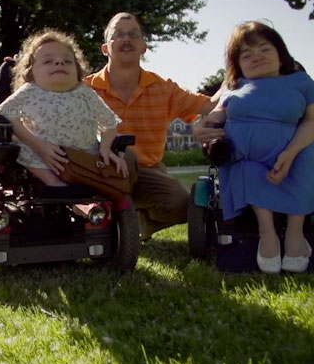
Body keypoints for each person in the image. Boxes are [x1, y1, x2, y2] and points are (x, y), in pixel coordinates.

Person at [84, 12, 221, 240]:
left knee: (182, 204)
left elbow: (210, 104)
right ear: (105, 48)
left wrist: (236, 76)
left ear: (144, 46)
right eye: (118, 34)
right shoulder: (84, 90)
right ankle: (111, 222)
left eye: (133, 34)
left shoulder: (162, 87)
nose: (126, 39)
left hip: (148, 171)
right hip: (101, 170)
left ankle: (139, 222)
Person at [203, 21, 314, 273]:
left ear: (280, 55)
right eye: (246, 54)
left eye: (264, 49)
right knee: (244, 167)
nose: (256, 57)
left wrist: (289, 154)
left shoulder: (301, 82)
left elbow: (313, 121)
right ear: (239, 64)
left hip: (293, 149)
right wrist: (203, 126)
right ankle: (266, 231)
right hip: (246, 157)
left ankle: (295, 233)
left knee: (306, 157)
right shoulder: (234, 85)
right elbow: (215, 114)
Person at [0, 28, 128, 196]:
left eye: (67, 61)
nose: (59, 63)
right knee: (20, 147)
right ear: (30, 72)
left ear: (78, 71)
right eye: (48, 61)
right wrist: (38, 145)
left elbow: (109, 123)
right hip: (42, 155)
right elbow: (4, 114)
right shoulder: (29, 92)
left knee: (111, 159)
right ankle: (54, 184)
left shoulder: (85, 93)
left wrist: (106, 148)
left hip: (83, 157)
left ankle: (89, 195)